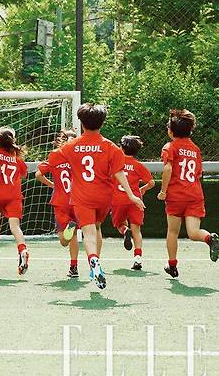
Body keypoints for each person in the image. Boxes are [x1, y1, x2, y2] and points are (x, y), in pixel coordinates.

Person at [48, 103, 145, 289]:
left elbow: (52, 159)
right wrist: (132, 196)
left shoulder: (72, 146)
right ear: (102, 123)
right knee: (97, 227)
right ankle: (96, 263)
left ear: (82, 123)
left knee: (88, 232)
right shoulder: (111, 147)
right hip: (103, 197)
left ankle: (93, 261)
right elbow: (119, 173)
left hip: (82, 197)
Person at [158, 109, 218, 278]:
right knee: (193, 232)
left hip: (176, 196)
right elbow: (198, 173)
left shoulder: (170, 147)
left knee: (172, 232)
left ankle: (172, 266)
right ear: (190, 130)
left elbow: (168, 168)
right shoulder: (195, 149)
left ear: (170, 131)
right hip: (194, 195)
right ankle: (209, 238)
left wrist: (163, 191)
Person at [0, 127, 30, 275]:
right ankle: (22, 249)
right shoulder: (17, 157)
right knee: (15, 226)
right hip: (14, 195)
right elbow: (24, 174)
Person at [35, 130, 80, 278]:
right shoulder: (79, 158)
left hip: (62, 202)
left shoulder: (55, 155)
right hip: (76, 201)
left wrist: (52, 185)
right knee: (70, 237)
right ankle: (74, 267)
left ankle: (74, 266)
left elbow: (38, 174)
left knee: (64, 240)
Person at [110, 136, 155, 270]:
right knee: (137, 229)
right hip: (135, 200)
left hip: (118, 200)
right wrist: (143, 189)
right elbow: (151, 182)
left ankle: (125, 232)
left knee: (119, 224)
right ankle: (138, 258)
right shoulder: (138, 165)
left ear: (121, 148)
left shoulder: (114, 164)